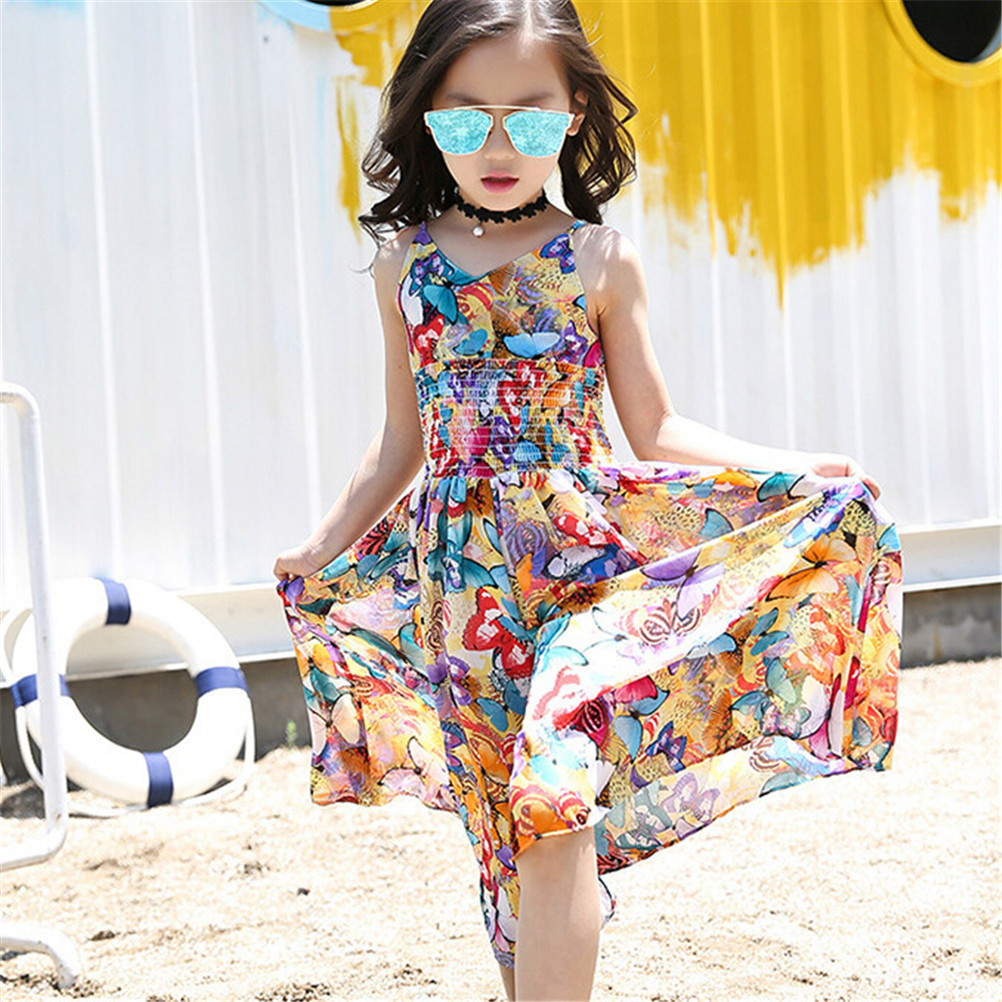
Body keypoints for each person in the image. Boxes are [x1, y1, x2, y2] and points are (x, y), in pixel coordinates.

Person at [272, 1, 903, 999]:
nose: (496, 146)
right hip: (459, 597)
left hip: (583, 580)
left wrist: (796, 469)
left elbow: (657, 428)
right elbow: (402, 442)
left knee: (553, 799)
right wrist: (322, 544)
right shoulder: (403, 267)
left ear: (571, 119)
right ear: (428, 117)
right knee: (505, 840)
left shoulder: (601, 260)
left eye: (527, 118)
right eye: (465, 117)